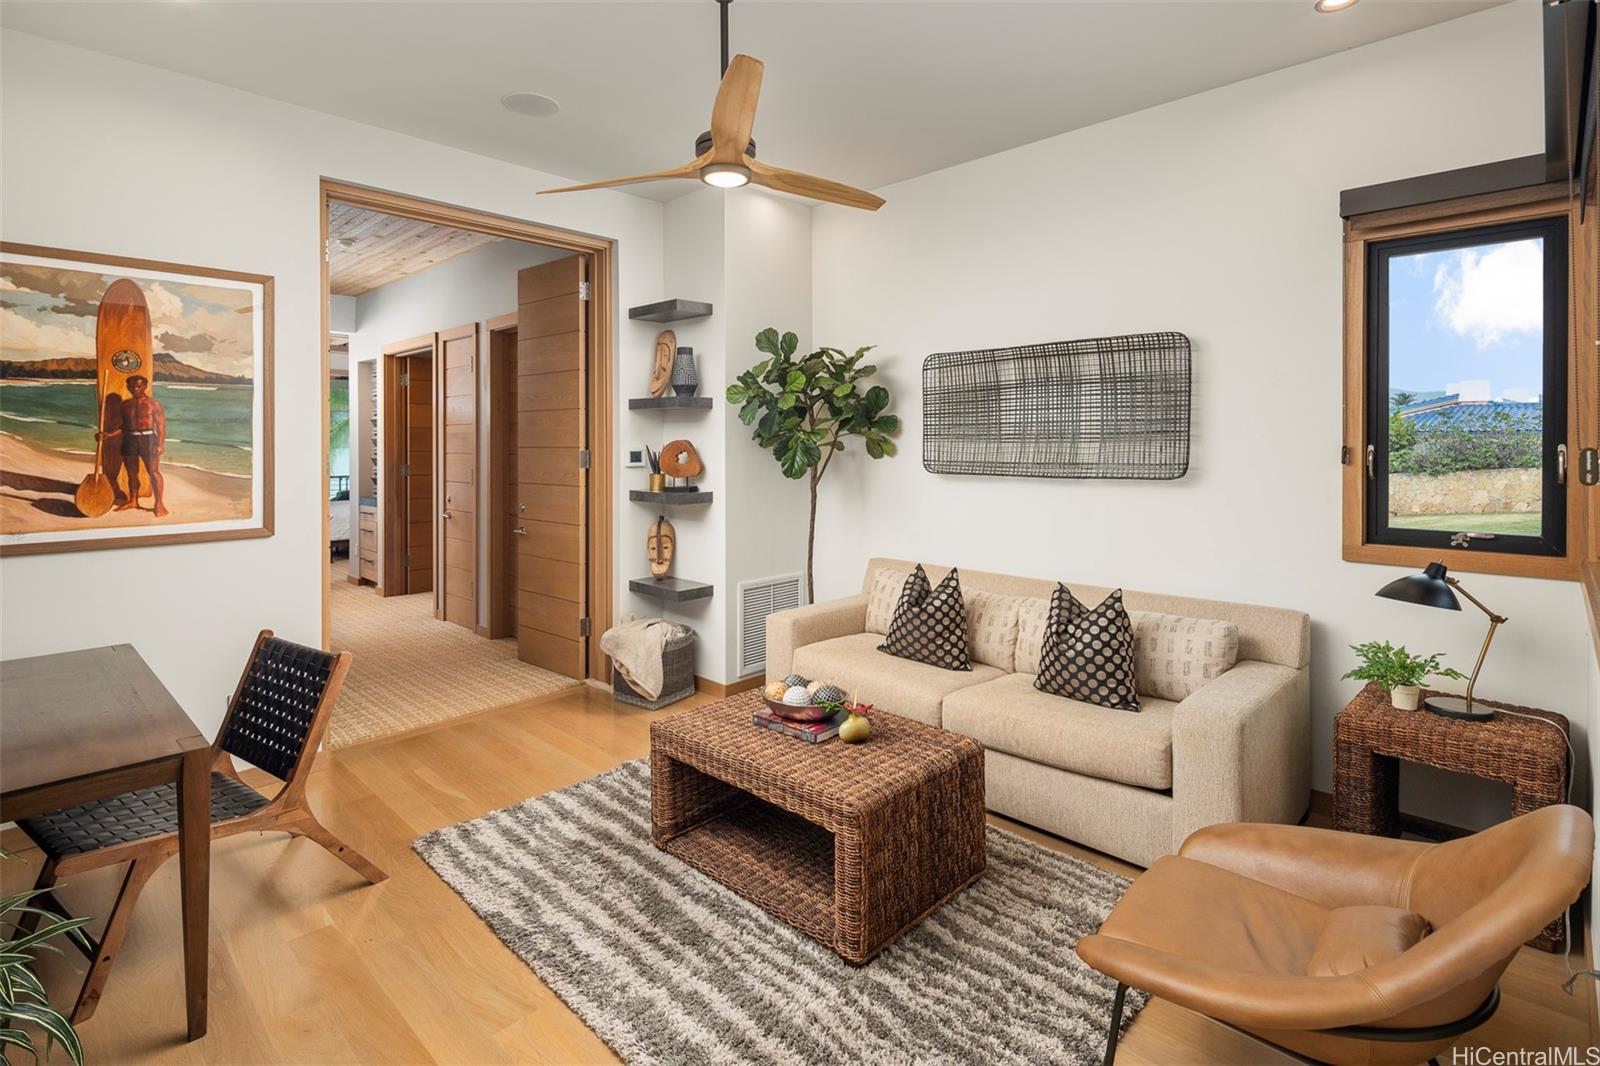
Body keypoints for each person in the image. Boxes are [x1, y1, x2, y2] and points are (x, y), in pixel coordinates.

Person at [98, 374, 168, 517]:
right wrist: (109, 435)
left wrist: (160, 445)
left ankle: (159, 503)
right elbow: (124, 426)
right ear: (128, 387)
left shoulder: (154, 404)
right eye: (132, 386)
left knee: (154, 472)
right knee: (131, 473)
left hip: (148, 439)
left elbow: (161, 427)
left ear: (145, 386)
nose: (135, 389)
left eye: (139, 385)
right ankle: (133, 501)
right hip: (129, 439)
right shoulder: (125, 405)